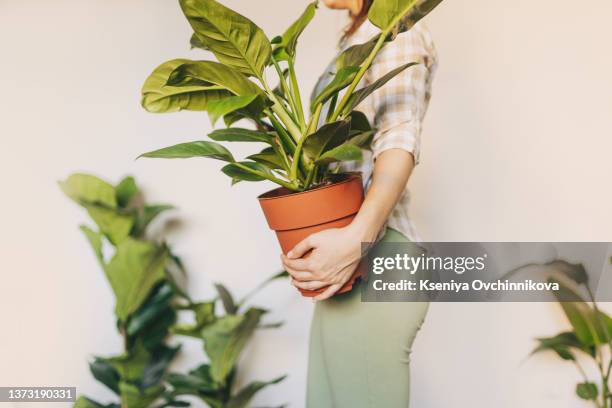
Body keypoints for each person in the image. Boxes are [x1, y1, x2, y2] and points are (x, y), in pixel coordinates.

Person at [280, 0, 438, 406]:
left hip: (377, 257)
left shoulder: (397, 32)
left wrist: (357, 240)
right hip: (347, 267)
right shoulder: (355, 40)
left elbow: (399, 139)